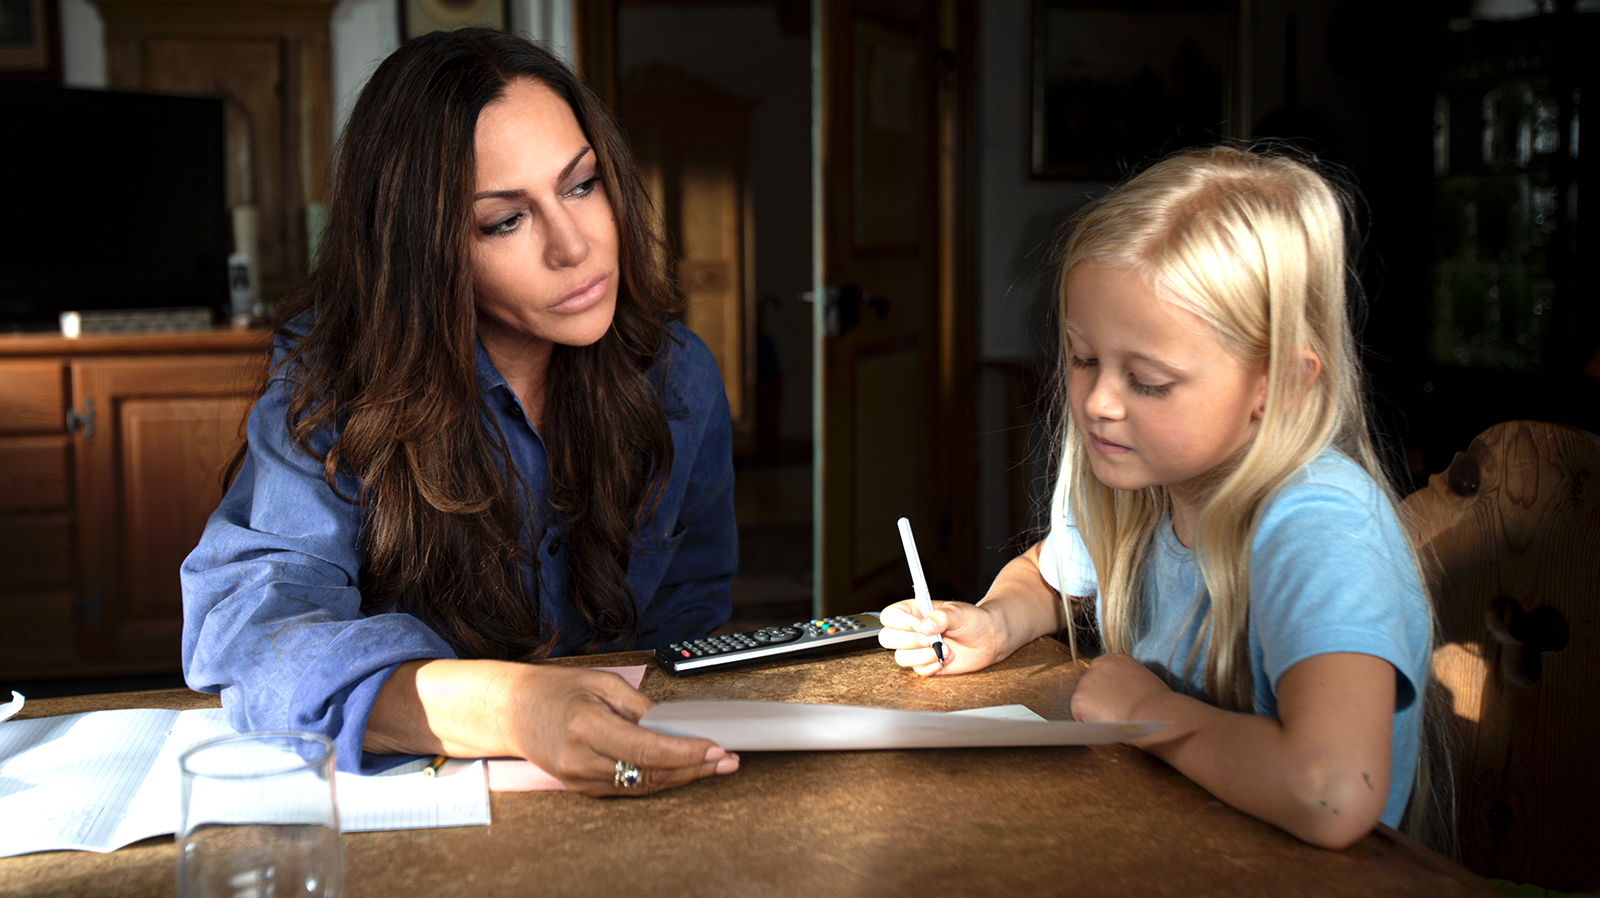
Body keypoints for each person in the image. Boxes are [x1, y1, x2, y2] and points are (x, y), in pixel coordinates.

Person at [181, 28, 741, 796]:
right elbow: (255, 634)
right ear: (423, 250)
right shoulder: (334, 382)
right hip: (423, 805)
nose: (576, 247)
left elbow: (692, 619)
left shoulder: (679, 377)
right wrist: (511, 708)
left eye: (581, 185)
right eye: (504, 221)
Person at [878, 146, 1433, 849]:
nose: (1100, 402)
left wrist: (1150, 713)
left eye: (1149, 380)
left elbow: (1330, 794)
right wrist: (993, 621)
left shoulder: (1319, 525)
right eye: (1083, 359)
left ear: (1282, 385)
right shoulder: (1141, 485)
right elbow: (1048, 580)